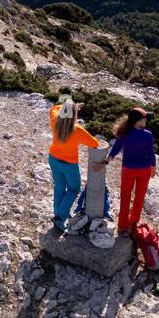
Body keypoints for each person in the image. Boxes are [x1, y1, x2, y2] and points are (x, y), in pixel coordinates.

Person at [48, 96, 99, 232]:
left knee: (59, 186)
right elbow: (95, 143)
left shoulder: (54, 121)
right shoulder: (77, 130)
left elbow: (53, 108)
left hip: (53, 159)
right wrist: (74, 107)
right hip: (69, 165)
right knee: (73, 189)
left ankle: (58, 213)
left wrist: (69, 106)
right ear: (74, 115)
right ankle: (60, 217)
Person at [102, 106, 156, 234]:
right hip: (145, 170)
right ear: (138, 121)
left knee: (125, 196)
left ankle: (122, 225)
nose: (146, 121)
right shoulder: (148, 135)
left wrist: (107, 160)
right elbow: (151, 153)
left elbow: (116, 148)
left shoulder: (125, 133)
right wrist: (153, 167)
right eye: (144, 119)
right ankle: (134, 222)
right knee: (139, 196)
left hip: (128, 170)